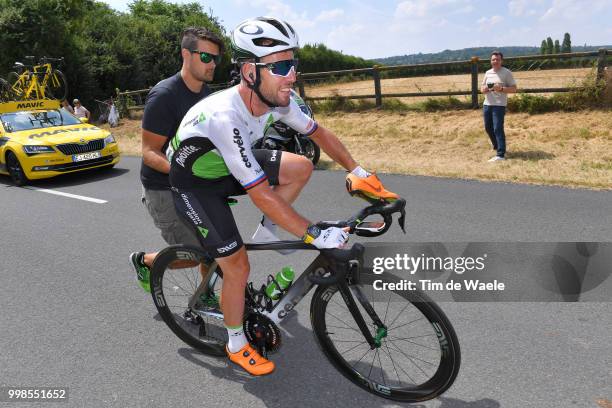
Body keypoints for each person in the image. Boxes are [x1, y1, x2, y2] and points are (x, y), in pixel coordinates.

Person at [165, 17, 399, 376]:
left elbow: (320, 134)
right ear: (249, 72)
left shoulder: (277, 99)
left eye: (294, 64)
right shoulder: (223, 116)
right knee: (237, 266)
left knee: (301, 166)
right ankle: (235, 344)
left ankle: (268, 233)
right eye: (282, 66)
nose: (292, 75)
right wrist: (313, 233)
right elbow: (259, 193)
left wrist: (357, 171)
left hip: (226, 165)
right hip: (195, 184)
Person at [129, 27, 224, 292]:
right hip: (163, 188)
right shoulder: (165, 96)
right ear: (186, 54)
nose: (213, 64)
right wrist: (185, 172)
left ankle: (204, 295)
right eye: (206, 57)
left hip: (195, 186)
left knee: (218, 246)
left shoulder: (207, 95)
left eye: (216, 58)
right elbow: (149, 152)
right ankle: (145, 261)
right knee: (194, 256)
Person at [481, 51, 517, 162]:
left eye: (497, 59)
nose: (495, 61)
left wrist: (501, 89)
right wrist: (484, 89)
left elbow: (514, 89)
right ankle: (496, 146)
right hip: (487, 104)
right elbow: (482, 88)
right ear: (490, 61)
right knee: (488, 128)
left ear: (501, 61)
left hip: (499, 105)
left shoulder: (506, 73)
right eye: (493, 59)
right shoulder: (487, 73)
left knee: (498, 128)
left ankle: (500, 155)